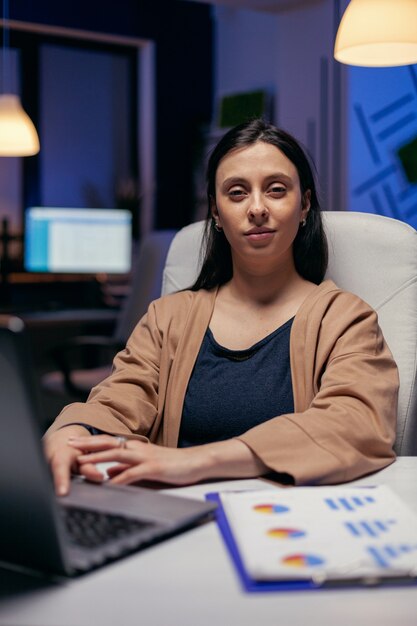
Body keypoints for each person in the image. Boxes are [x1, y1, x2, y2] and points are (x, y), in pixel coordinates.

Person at [44, 118, 398, 496]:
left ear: (304, 204)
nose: (257, 208)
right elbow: (116, 403)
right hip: (175, 521)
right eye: (237, 192)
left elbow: (356, 422)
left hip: (289, 525)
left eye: (277, 190)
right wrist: (72, 434)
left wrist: (199, 461)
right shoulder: (168, 318)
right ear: (215, 212)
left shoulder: (345, 319)